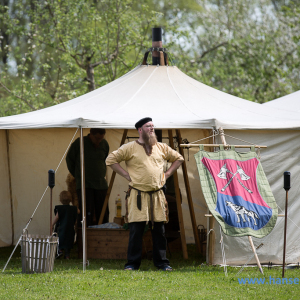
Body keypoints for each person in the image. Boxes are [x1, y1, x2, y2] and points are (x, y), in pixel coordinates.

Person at [106, 117, 184, 271]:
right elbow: (110, 160)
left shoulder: (161, 147)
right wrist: (126, 175)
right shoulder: (129, 147)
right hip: (138, 195)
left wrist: (167, 175)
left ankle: (162, 263)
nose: (152, 128)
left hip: (157, 195)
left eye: (153, 126)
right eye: (148, 126)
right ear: (140, 130)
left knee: (159, 231)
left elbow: (179, 158)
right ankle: (132, 264)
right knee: (136, 230)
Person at [66, 128, 109, 227]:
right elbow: (69, 159)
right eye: (97, 138)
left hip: (101, 184)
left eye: (101, 139)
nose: (99, 141)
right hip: (85, 184)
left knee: (103, 213)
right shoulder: (79, 143)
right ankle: (84, 239)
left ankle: (103, 237)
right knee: (86, 213)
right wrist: (78, 175)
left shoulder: (104, 144)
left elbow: (105, 159)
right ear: (91, 135)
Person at [52, 191, 78, 259]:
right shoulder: (73, 209)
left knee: (60, 240)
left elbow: (57, 217)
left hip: (62, 228)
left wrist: (52, 224)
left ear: (60, 200)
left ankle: (60, 251)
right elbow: (78, 212)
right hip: (70, 229)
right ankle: (67, 255)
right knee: (68, 242)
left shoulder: (60, 209)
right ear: (70, 199)